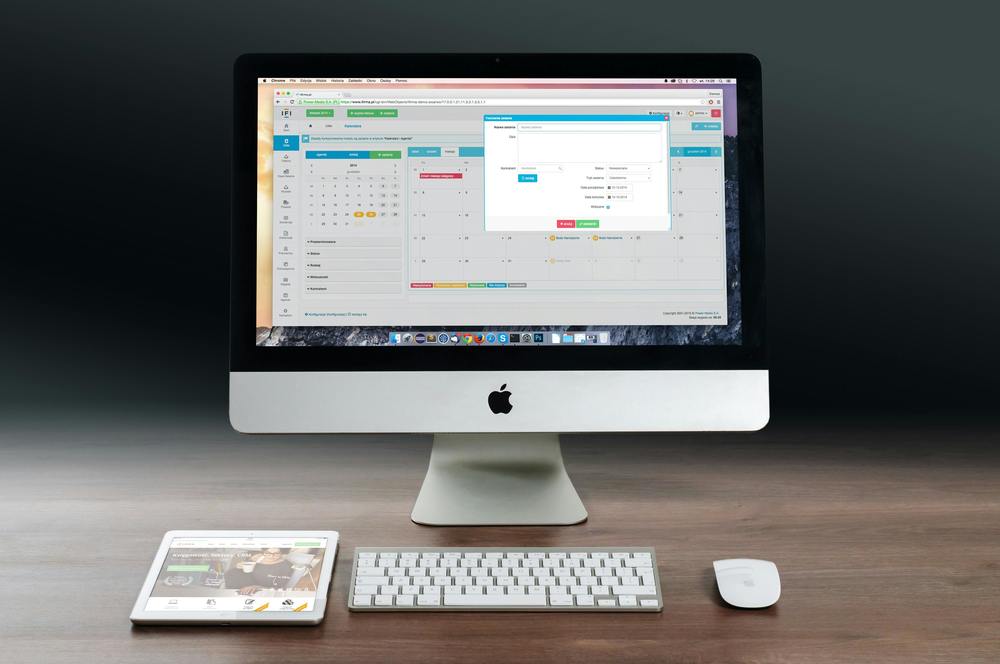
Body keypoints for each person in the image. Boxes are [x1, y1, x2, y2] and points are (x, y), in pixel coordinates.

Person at [223, 548, 295, 595]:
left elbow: (280, 586)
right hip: (240, 587)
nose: (271, 556)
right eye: (268, 553)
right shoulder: (259, 557)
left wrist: (257, 587)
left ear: (282, 553)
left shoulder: (286, 565)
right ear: (264, 552)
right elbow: (247, 566)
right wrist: (240, 566)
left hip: (259, 590)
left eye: (276, 553)